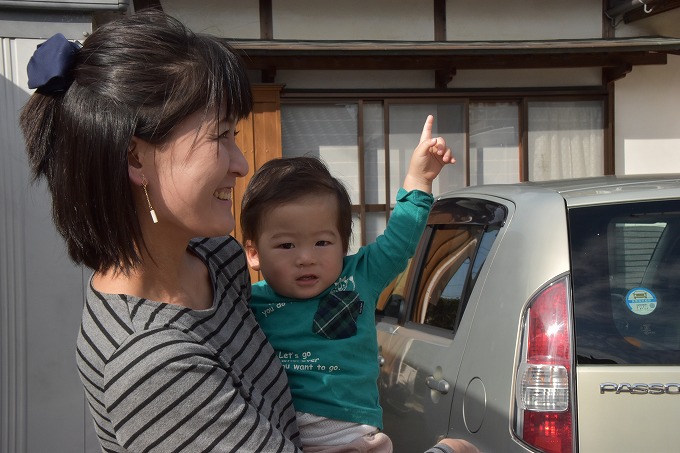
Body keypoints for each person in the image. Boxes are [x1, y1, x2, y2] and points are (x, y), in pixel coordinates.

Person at [20, 9, 480, 453]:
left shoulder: (215, 258)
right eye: (221, 136)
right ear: (136, 158)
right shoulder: (150, 363)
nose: (241, 164)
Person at [241, 115, 454, 452]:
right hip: (276, 431)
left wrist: (419, 179)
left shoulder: (357, 277)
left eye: (322, 243)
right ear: (254, 253)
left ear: (344, 243)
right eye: (286, 245)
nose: (306, 258)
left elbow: (399, 241)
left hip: (352, 434)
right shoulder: (245, 302)